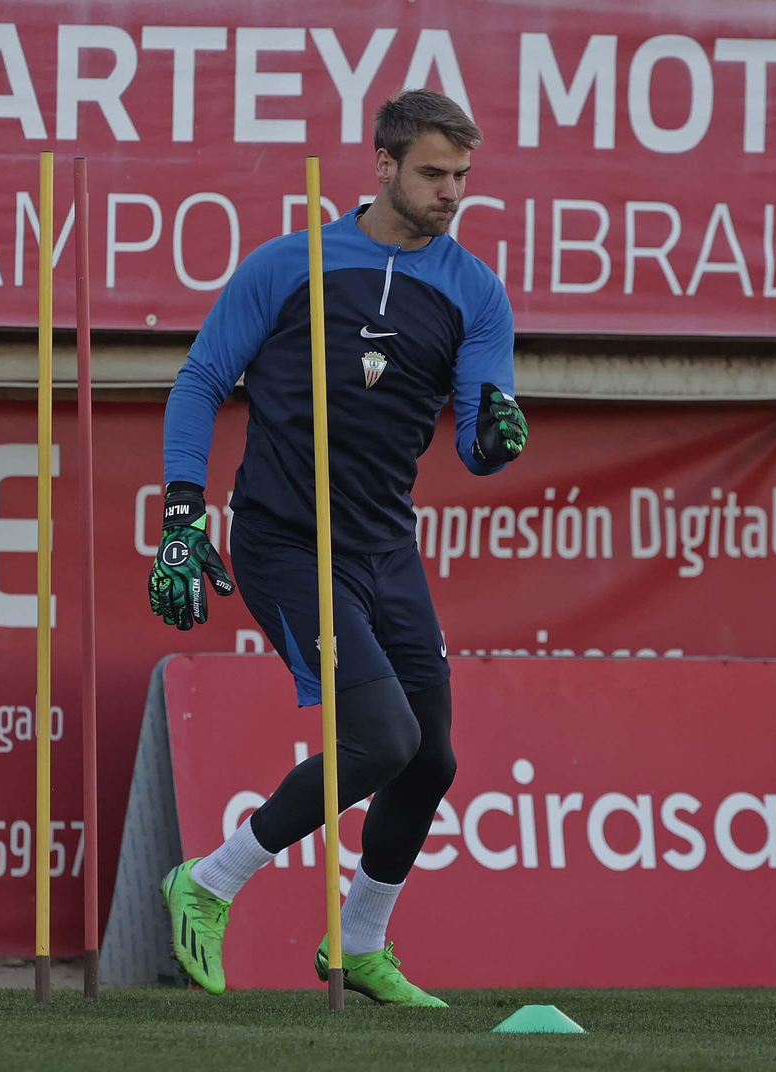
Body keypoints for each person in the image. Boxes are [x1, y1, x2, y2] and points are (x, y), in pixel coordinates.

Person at [147, 89, 528, 1006]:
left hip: (384, 547)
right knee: (382, 738)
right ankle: (208, 882)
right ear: (384, 164)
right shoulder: (288, 264)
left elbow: (477, 443)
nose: (450, 192)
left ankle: (357, 942)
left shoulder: (475, 290)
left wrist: (498, 436)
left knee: (431, 756)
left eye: (462, 176)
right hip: (284, 541)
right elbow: (200, 380)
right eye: (433, 173)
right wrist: (183, 514)